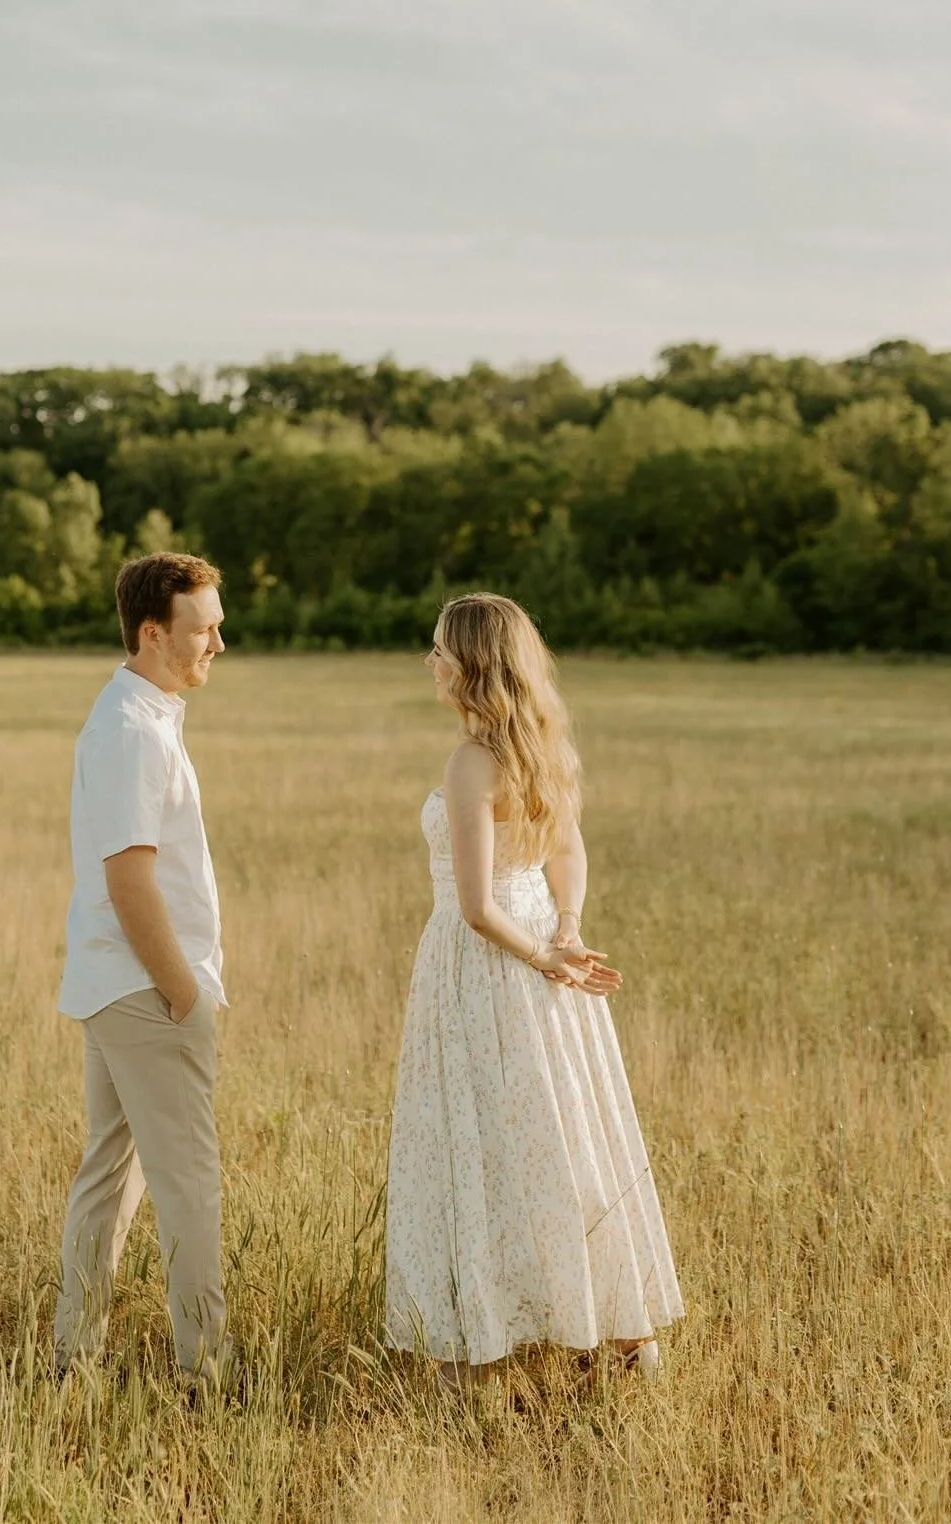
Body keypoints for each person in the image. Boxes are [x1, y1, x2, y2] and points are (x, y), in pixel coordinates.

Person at [384, 593, 683, 1389]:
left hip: (484, 971)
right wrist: (567, 931)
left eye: (441, 650)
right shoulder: (541, 749)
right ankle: (619, 1336)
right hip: (543, 954)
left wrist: (548, 956)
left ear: (474, 666)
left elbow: (477, 908)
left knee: (475, 1148)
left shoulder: (471, 761)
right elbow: (567, 854)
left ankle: (469, 1352)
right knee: (564, 1142)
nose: (431, 662)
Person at [54, 551, 232, 1383]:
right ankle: (206, 1372)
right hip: (143, 991)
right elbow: (130, 882)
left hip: (114, 983)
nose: (217, 645)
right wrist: (184, 991)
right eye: (203, 630)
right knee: (189, 1184)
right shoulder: (131, 729)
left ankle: (74, 1358)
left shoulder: (142, 714)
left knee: (107, 1177)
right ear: (153, 632)